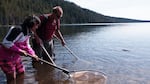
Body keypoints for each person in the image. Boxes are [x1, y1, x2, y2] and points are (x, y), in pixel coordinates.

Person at [0, 15, 41, 84]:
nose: (37, 27)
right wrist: (19, 51)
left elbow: (27, 45)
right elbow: (6, 43)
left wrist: (33, 54)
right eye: (36, 25)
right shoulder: (17, 29)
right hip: (6, 57)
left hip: (15, 56)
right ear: (31, 24)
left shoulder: (28, 32)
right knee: (12, 78)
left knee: (21, 72)